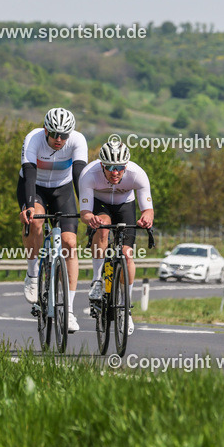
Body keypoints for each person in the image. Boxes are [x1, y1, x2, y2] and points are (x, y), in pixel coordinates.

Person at [18, 107, 88, 333]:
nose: (59, 140)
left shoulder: (77, 140)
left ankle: (67, 310)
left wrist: (86, 208)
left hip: (62, 189)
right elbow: (29, 173)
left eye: (64, 135)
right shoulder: (33, 139)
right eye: (55, 134)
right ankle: (32, 273)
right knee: (35, 222)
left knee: (70, 243)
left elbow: (80, 177)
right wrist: (29, 206)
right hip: (35, 187)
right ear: (46, 130)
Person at [79, 140, 154, 336]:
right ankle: (97, 281)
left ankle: (126, 308)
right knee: (102, 227)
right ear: (102, 165)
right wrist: (91, 219)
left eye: (120, 168)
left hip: (124, 207)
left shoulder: (137, 174)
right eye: (110, 167)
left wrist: (146, 218)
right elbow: (85, 213)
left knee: (127, 255)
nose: (115, 172)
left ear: (126, 166)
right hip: (100, 205)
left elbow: (148, 210)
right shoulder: (89, 174)